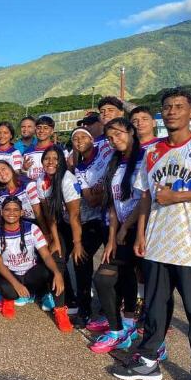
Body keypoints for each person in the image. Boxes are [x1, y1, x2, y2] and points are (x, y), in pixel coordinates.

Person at [112, 89, 191, 380]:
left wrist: (178, 196)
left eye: (179, 106)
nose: (172, 111)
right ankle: (149, 360)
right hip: (158, 244)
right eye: (167, 107)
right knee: (155, 304)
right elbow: (146, 196)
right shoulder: (153, 153)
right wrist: (140, 234)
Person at [89, 118, 143, 353]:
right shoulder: (115, 162)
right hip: (120, 230)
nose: (114, 140)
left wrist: (125, 227)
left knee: (129, 276)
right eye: (110, 137)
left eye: (119, 134)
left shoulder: (144, 159)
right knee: (105, 278)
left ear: (131, 131)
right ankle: (119, 327)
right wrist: (112, 237)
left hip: (140, 229)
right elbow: (113, 205)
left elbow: (145, 199)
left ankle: (128, 324)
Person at [0, 196, 72, 332]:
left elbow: (45, 255)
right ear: (1, 212)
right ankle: (8, 298)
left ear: (22, 212)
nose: (11, 213)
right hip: (10, 273)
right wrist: (16, 284)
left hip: (29, 272)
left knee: (52, 272)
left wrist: (57, 273)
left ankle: (60, 311)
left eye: (16, 210)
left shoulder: (32, 228)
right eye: (7, 209)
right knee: (9, 292)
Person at [35, 146, 86, 316]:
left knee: (79, 259)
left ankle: (83, 302)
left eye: (55, 158)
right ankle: (66, 300)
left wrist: (77, 243)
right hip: (61, 222)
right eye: (46, 158)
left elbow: (75, 216)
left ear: (62, 161)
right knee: (57, 256)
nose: (50, 162)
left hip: (83, 223)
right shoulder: (41, 179)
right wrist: (54, 240)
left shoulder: (67, 179)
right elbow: (49, 214)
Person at [69, 127, 109, 327]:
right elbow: (91, 201)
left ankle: (114, 308)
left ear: (92, 139)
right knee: (81, 258)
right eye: (75, 138)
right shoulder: (80, 169)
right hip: (95, 218)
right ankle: (84, 309)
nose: (79, 140)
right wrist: (103, 190)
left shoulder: (106, 152)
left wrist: (103, 188)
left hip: (116, 216)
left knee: (119, 265)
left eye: (83, 136)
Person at [0, 159, 48, 237]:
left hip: (39, 222)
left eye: (3, 169)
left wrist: (46, 234)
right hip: (19, 224)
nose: (2, 174)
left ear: (10, 168)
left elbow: (39, 214)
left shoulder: (27, 184)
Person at [23, 115, 60, 181]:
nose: (41, 131)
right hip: (32, 189)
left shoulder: (59, 151)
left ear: (52, 131)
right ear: (35, 130)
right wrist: (24, 169)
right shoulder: (27, 153)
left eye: (46, 128)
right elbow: (22, 175)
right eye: (39, 128)